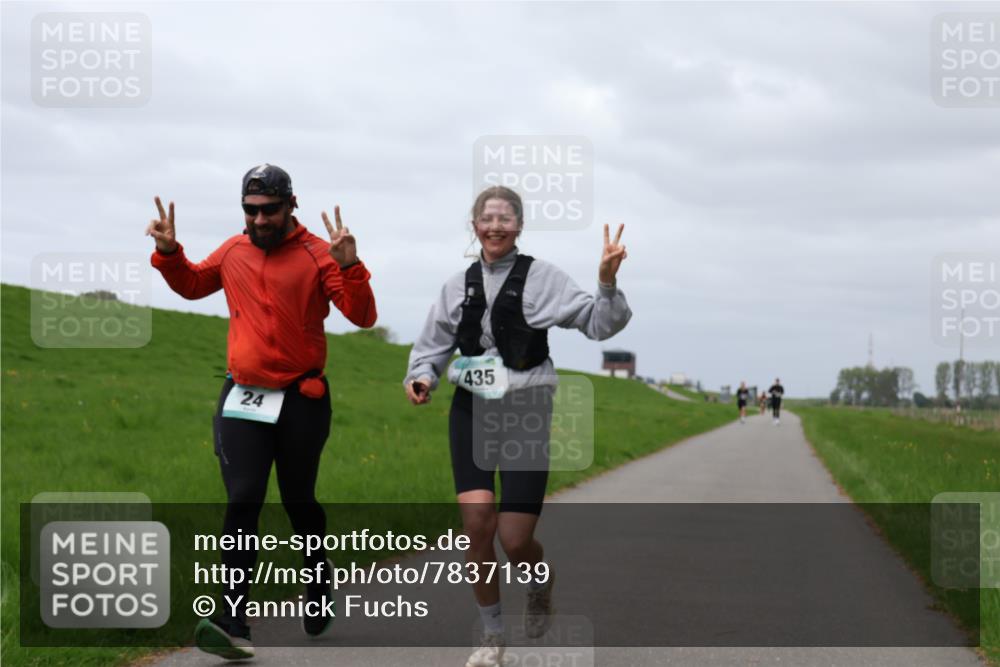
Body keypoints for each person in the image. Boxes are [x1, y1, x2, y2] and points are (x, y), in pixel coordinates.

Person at [146, 164, 378, 659]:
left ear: (290, 205)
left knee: (299, 501)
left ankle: (317, 579)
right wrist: (168, 252)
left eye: (269, 210)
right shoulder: (234, 251)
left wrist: (351, 267)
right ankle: (233, 621)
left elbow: (362, 316)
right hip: (244, 397)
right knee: (244, 498)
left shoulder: (320, 255)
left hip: (302, 398)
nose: (259, 220)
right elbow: (190, 284)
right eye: (250, 211)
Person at [403, 186, 631, 667]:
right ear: (474, 225)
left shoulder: (543, 278)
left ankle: (538, 581)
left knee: (514, 539)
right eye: (487, 218)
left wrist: (607, 283)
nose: (495, 226)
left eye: (505, 218)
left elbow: (598, 323)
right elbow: (432, 345)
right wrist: (422, 377)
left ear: (520, 226)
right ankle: (491, 637)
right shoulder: (456, 285)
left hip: (526, 409)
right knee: (477, 525)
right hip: (471, 408)